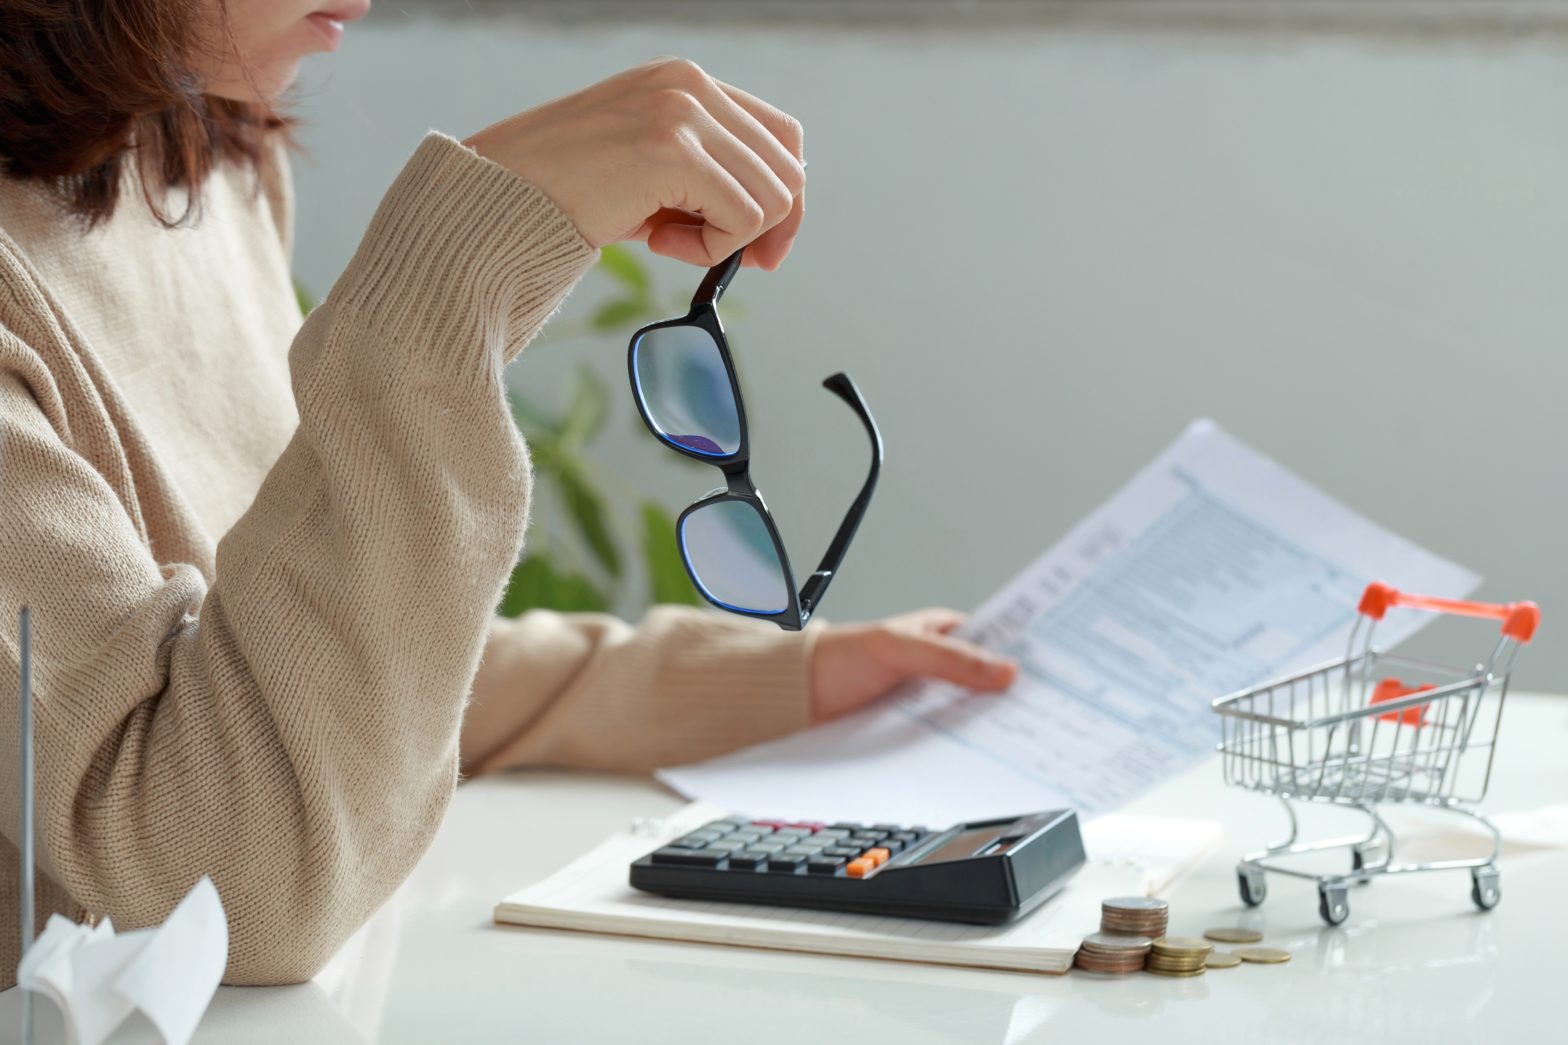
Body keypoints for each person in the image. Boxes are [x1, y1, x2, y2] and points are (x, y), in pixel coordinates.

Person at [0, 0, 1018, 986]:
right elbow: (226, 890)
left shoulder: (195, 161)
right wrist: (450, 277)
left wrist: (769, 685)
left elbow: (302, 671)